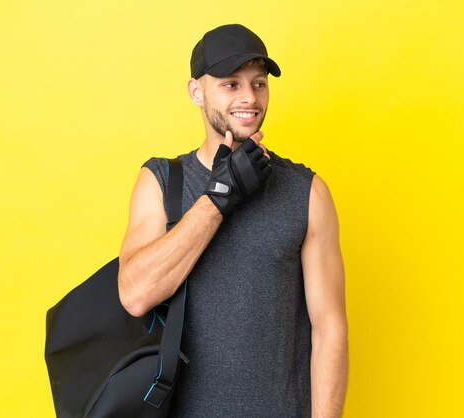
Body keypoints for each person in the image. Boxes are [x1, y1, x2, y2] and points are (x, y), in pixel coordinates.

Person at [117, 23, 348, 418]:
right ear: (196, 91)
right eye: (231, 84)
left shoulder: (306, 193)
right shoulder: (162, 181)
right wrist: (219, 197)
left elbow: (330, 331)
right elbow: (136, 294)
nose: (249, 98)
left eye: (258, 83)